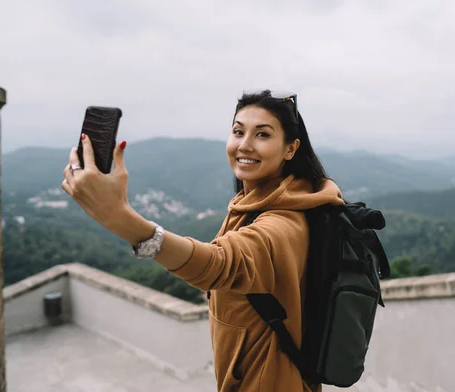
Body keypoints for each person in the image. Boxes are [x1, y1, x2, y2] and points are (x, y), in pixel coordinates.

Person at [61, 90, 345, 391]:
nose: (244, 144)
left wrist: (120, 218)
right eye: (238, 131)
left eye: (262, 134)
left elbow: (219, 264)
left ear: (290, 149)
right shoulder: (257, 203)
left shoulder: (283, 224)